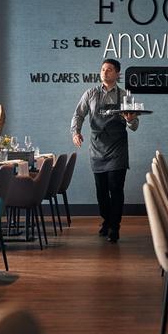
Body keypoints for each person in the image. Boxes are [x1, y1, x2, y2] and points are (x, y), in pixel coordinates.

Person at [70, 59, 138, 243]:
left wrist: (130, 119)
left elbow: (134, 126)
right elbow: (78, 114)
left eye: (109, 70)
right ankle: (106, 220)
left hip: (117, 149)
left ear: (117, 74)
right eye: (103, 69)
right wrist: (75, 132)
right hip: (97, 148)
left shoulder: (125, 96)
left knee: (116, 188)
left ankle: (114, 226)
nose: (105, 72)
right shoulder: (90, 93)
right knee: (101, 191)